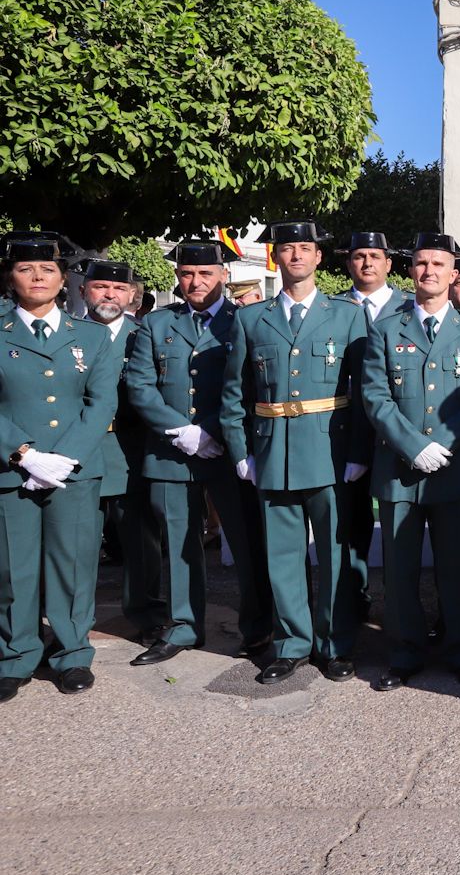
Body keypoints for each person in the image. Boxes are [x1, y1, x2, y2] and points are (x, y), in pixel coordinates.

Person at [221, 220, 369, 685]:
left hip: (330, 448)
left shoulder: (346, 314)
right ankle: (291, 644)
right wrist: (240, 449)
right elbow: (233, 394)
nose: (297, 257)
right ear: (275, 258)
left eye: (305, 249)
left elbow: (366, 391)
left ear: (319, 258)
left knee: (334, 553)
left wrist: (360, 449)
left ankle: (335, 643)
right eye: (287, 249)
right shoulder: (250, 317)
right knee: (282, 555)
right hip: (272, 452)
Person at [126, 240, 274, 663]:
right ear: (177, 277)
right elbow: (140, 385)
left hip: (229, 450)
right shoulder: (156, 324)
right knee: (180, 542)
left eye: (205, 274)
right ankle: (185, 626)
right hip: (172, 451)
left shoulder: (246, 320)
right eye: (187, 274)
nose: (195, 282)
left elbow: (251, 386)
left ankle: (258, 627)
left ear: (223, 276)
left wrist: (210, 431)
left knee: (247, 542)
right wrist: (182, 431)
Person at [362, 233, 460, 690]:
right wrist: (412, 445)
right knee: (399, 571)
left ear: (454, 273)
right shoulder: (384, 328)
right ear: (410, 270)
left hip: (454, 466)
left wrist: (439, 442)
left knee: (457, 567)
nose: (429, 272)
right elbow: (375, 396)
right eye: (421, 264)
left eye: (439, 264)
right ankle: (404, 653)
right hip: (399, 468)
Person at [0, 233, 118, 701]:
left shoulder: (90, 336)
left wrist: (62, 461)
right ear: (11, 277)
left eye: (47, 270)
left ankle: (72, 654)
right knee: (14, 568)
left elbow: (101, 401)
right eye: (26, 269)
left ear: (62, 278)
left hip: (74, 471)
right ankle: (17, 654)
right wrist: (25, 455)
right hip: (11, 470)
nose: (37, 277)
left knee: (72, 565)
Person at [77, 258, 162, 642]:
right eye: (100, 287)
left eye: (118, 289)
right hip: (77, 451)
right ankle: (71, 625)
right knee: (75, 546)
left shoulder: (144, 335)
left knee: (140, 541)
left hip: (130, 450)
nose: (109, 294)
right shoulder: (67, 334)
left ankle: (147, 616)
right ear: (83, 291)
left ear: (131, 296)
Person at [335, 232, 412, 628]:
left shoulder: (410, 307)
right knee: (349, 524)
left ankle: (403, 611)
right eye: (359, 256)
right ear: (349, 263)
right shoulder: (333, 308)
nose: (367, 263)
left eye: (375, 256)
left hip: (397, 431)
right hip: (347, 430)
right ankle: (354, 600)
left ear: (389, 264)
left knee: (402, 525)